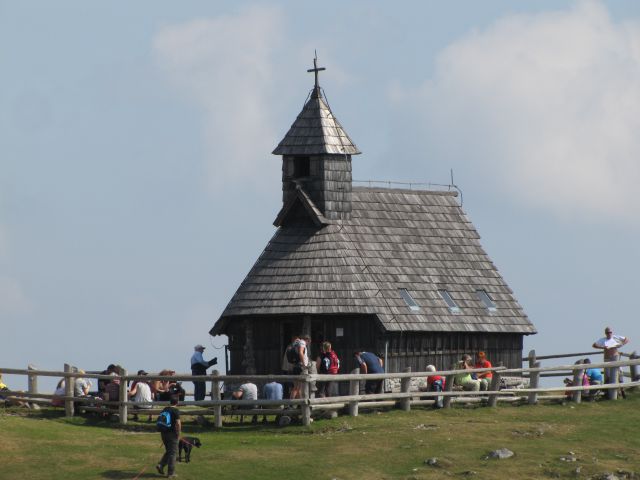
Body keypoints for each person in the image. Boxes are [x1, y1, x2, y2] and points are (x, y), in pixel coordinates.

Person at [156, 396, 181, 478]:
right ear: (177, 402)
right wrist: (178, 433)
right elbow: (178, 423)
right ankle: (171, 473)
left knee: (169, 451)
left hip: (163, 433)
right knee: (173, 453)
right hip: (172, 434)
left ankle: (161, 465)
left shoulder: (165, 409)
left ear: (170, 402)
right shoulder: (176, 410)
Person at [289, 334, 310, 399]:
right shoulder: (302, 342)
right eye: (309, 342)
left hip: (296, 365)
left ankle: (299, 404)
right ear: (308, 340)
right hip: (300, 366)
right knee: (297, 387)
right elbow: (301, 352)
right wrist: (304, 364)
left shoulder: (297, 343)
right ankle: (290, 405)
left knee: (298, 387)